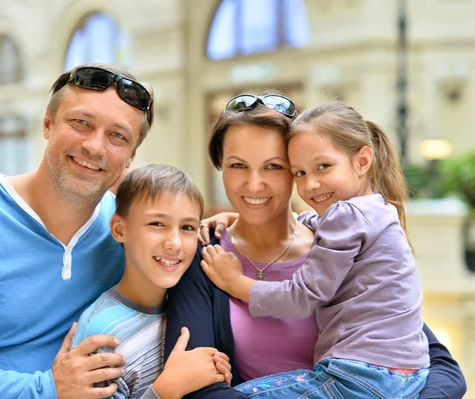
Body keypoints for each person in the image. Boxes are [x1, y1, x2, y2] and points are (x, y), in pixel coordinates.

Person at [0, 63, 217, 399]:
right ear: (47, 124)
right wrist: (45, 389)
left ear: (130, 156)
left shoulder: (126, 231)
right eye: (81, 123)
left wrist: (226, 226)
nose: (95, 147)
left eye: (118, 136)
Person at [165, 94, 467, 398]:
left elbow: (443, 369)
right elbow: (198, 389)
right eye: (238, 165)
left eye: (273, 166)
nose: (254, 184)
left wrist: (236, 282)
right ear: (220, 167)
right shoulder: (205, 255)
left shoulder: (342, 244)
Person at [71, 164, 231, 399]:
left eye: (187, 227)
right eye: (157, 224)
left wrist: (214, 372)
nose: (174, 243)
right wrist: (166, 389)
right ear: (119, 229)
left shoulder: (195, 307)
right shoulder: (102, 335)